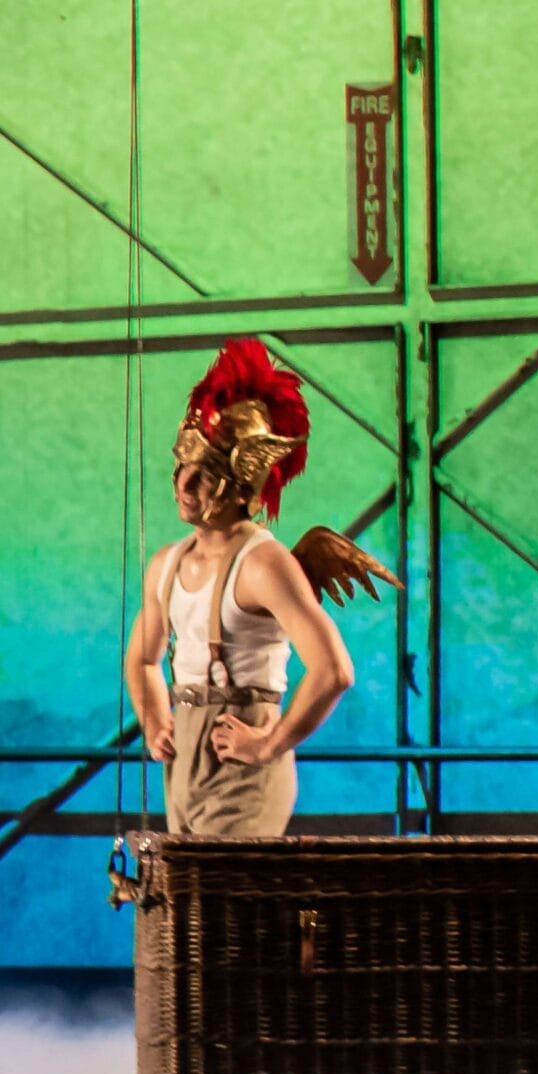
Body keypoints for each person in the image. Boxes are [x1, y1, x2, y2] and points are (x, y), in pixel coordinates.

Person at [123, 339, 397, 835]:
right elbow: (142, 659)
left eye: (205, 474)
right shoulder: (166, 565)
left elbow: (334, 670)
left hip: (242, 765)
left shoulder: (263, 564)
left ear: (242, 485)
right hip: (184, 757)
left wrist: (270, 744)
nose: (184, 484)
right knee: (186, 905)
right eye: (184, 465)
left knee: (227, 906)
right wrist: (155, 721)